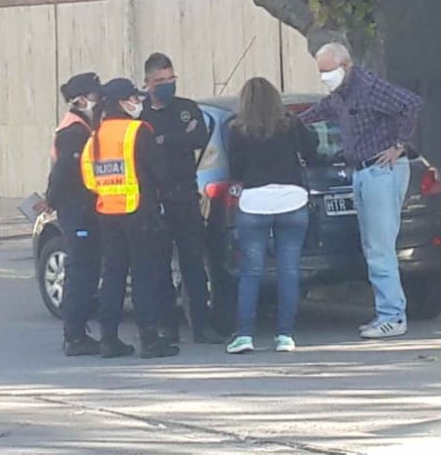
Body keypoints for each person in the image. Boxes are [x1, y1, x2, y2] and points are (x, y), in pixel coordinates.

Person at [300, 43, 422, 339]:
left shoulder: (368, 87)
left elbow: (411, 104)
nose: (326, 76)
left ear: (347, 66)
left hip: (382, 170)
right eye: (322, 72)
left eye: (330, 70)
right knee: (372, 246)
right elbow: (320, 111)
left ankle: (393, 315)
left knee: (380, 247)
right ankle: (385, 312)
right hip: (362, 171)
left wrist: (398, 145)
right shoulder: (340, 95)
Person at [82, 78, 180, 359]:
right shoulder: (138, 131)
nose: (139, 103)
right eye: (134, 99)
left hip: (107, 212)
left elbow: (89, 178)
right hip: (139, 211)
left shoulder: (95, 136)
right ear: (122, 102)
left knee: (113, 276)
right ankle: (149, 339)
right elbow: (160, 172)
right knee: (143, 275)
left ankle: (109, 339)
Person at [226, 78, 319, 354]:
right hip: (292, 200)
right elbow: (312, 153)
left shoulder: (237, 129)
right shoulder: (291, 124)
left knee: (251, 272)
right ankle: (285, 336)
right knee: (288, 271)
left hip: (254, 202)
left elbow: (236, 171)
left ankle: (244, 335)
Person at [141, 53, 227, 344]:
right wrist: (176, 138)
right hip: (154, 200)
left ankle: (202, 325)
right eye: (160, 81)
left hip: (186, 195)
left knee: (193, 263)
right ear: (148, 83)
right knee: (159, 266)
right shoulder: (141, 114)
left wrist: (163, 140)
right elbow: (145, 148)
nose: (166, 85)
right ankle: (167, 325)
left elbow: (198, 138)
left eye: (170, 79)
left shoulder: (187, 108)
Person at [46, 72, 103, 356]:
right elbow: (64, 173)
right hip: (76, 209)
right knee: (80, 270)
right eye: (93, 94)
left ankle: (77, 332)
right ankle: (75, 334)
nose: (97, 99)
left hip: (78, 207)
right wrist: (51, 201)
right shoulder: (75, 131)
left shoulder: (81, 126)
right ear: (79, 99)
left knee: (85, 268)